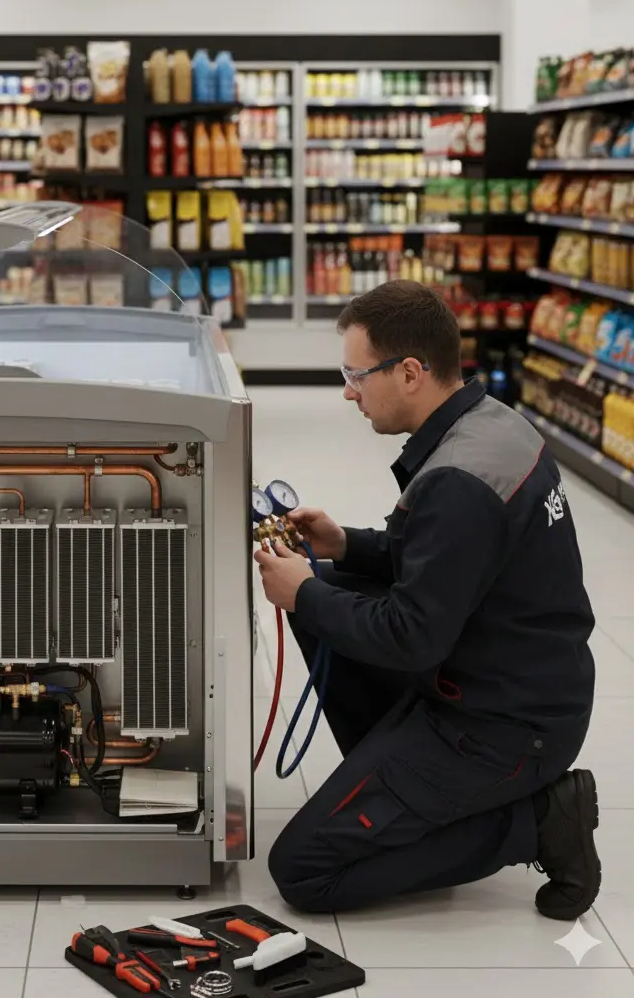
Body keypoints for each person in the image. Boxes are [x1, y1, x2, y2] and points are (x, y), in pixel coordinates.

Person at [255, 279, 600, 921]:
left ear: (410, 372)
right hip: (517, 681)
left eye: (356, 375)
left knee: (303, 871)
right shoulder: (491, 424)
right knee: (329, 590)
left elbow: (411, 636)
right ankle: (400, 784)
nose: (349, 392)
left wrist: (301, 593)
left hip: (502, 727)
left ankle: (540, 819)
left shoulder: (459, 481)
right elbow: (442, 561)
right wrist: (344, 545)